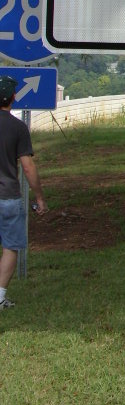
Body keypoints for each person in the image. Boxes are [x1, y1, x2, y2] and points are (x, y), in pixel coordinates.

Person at [0, 75, 47, 309]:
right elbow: (28, 167)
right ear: (13, 97)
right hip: (8, 196)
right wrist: (39, 197)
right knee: (10, 246)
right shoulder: (18, 128)